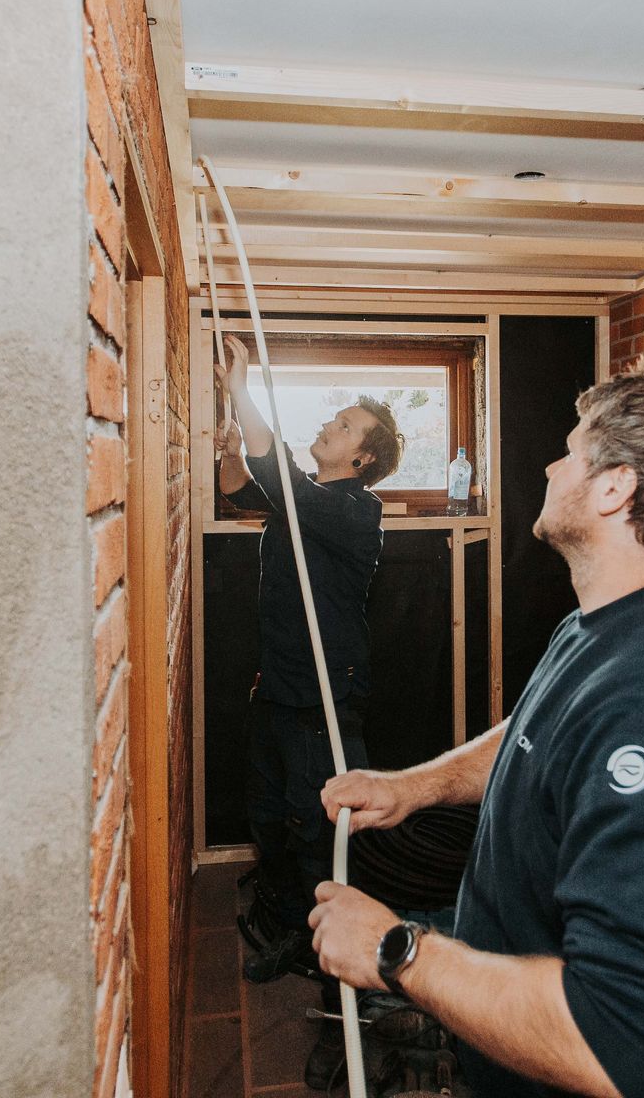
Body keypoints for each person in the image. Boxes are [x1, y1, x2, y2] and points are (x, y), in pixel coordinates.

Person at [309, 361, 644, 1098]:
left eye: (570, 450)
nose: (550, 463)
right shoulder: (608, 623)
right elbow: (540, 731)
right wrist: (414, 786)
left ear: (613, 487)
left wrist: (395, 951)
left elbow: (614, 1043)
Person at [214, 335, 403, 982]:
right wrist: (230, 456)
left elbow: (280, 482)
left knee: (316, 825)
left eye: (345, 425)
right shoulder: (307, 503)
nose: (330, 424)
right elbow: (245, 490)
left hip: (324, 696)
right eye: (335, 418)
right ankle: (282, 911)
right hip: (279, 685)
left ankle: (318, 944)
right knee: (268, 810)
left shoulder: (356, 512)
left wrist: (242, 391)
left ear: (363, 455)